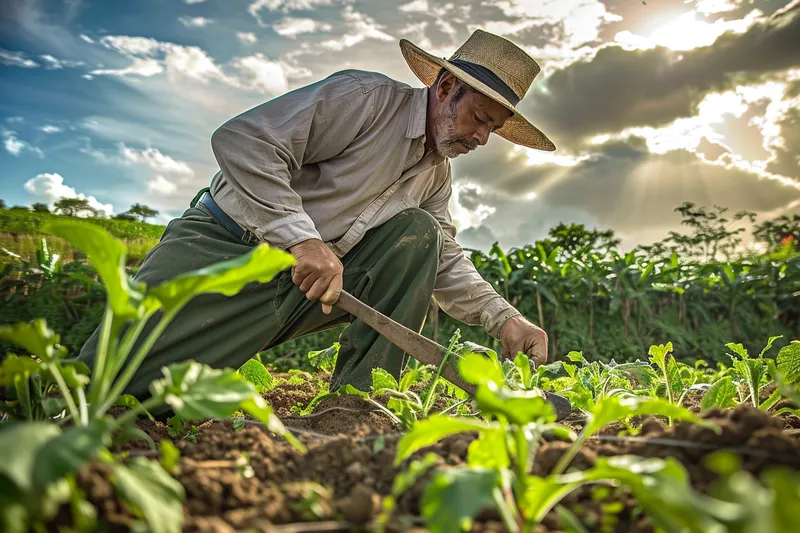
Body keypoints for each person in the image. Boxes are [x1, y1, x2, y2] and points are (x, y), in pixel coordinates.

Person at [77, 29, 556, 401]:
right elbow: (244, 140)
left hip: (307, 290)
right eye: (479, 119)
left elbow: (444, 260)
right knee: (104, 389)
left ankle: (358, 405)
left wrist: (506, 320)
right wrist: (301, 240)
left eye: (494, 128)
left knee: (421, 235)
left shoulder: (435, 174)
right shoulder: (365, 100)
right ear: (445, 85)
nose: (482, 138)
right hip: (224, 250)